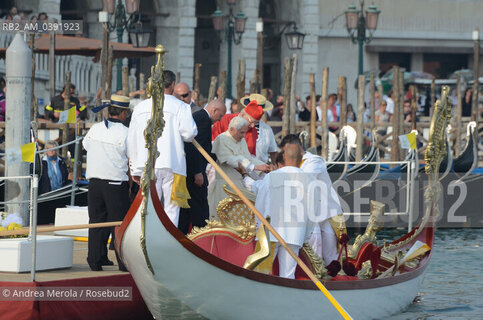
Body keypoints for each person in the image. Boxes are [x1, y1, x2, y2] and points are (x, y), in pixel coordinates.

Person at [127, 70, 197, 227]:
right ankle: (169, 240)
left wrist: (134, 169)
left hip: (146, 164)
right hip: (173, 163)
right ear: (172, 85)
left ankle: (149, 238)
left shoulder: (140, 107)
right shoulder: (181, 106)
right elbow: (189, 134)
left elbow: (131, 140)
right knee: (172, 209)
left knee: (149, 207)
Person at [243, 145, 316, 279]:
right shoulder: (310, 181)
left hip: (270, 232)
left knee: (262, 274)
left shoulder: (272, 176)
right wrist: (305, 236)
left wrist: (244, 175)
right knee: (288, 276)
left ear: (285, 158)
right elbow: (313, 213)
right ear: (301, 159)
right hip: (295, 233)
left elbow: (257, 190)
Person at [82, 95, 131, 271]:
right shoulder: (126, 132)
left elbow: (85, 145)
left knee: (96, 221)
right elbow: (133, 156)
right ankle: (122, 262)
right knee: (119, 224)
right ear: (124, 113)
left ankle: (96, 259)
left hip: (94, 182)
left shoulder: (95, 128)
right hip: (115, 183)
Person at [279, 135, 341, 266]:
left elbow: (303, 179)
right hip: (309, 212)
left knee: (330, 252)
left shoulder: (315, 161)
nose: (285, 156)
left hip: (326, 212)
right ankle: (317, 271)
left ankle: (334, 275)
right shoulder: (294, 163)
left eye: (286, 151)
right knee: (315, 246)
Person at [178, 99, 226, 234]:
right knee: (200, 207)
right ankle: (202, 238)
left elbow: (204, 149)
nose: (220, 120)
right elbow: (192, 147)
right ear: (214, 111)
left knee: (187, 208)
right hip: (194, 171)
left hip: (191, 169)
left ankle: (185, 236)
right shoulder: (203, 119)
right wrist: (197, 172)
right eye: (220, 115)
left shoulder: (199, 117)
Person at [208, 116, 270, 219]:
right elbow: (229, 159)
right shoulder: (221, 139)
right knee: (224, 218)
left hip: (241, 184)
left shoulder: (242, 141)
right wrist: (254, 167)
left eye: (245, 132)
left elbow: (248, 158)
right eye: (241, 132)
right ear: (232, 129)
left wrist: (264, 167)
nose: (244, 136)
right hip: (226, 185)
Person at [213, 94, 278, 164]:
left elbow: (250, 157)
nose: (253, 126)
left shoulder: (259, 130)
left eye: (255, 123)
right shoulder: (225, 120)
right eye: (251, 122)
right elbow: (214, 145)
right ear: (243, 114)